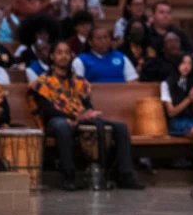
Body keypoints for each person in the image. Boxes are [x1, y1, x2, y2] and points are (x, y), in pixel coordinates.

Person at [30, 41, 145, 190]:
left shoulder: (79, 81)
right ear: (52, 56)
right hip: (56, 120)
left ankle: (125, 175)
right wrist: (75, 118)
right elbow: (48, 110)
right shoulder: (42, 82)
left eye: (66, 53)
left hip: (80, 118)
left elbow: (86, 104)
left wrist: (88, 113)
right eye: (59, 53)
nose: (63, 56)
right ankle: (69, 176)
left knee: (120, 127)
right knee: (62, 126)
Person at [72, 27, 138, 83]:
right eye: (99, 38)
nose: (103, 41)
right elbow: (77, 85)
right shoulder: (81, 60)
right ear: (90, 42)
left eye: (106, 38)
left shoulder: (121, 57)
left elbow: (133, 81)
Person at [160, 54, 193, 139]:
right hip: (177, 121)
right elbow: (171, 112)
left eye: (189, 64)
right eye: (183, 63)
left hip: (192, 120)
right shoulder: (166, 84)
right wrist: (189, 99)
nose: (186, 66)